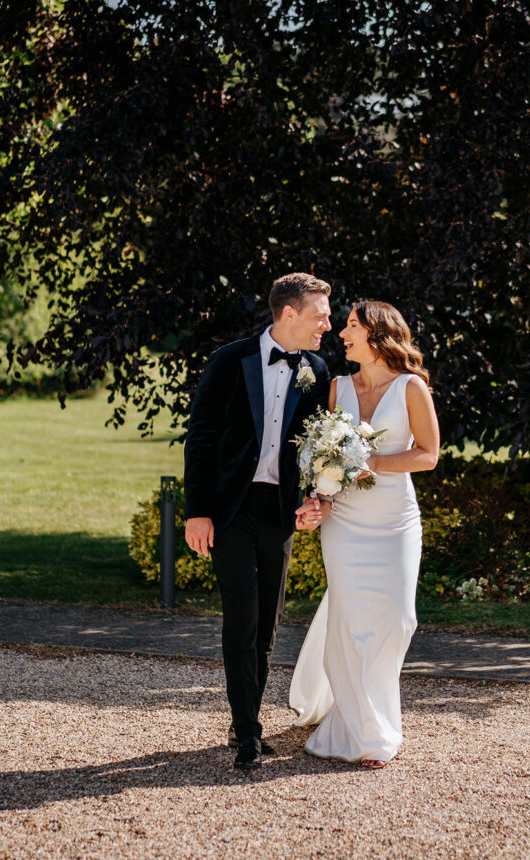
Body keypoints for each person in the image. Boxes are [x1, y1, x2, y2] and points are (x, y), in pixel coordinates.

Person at [183, 272, 333, 771]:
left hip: (280, 511)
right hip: (230, 508)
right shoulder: (230, 360)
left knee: (267, 621)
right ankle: (247, 729)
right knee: (241, 613)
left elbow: (317, 448)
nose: (326, 325)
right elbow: (201, 436)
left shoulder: (316, 368)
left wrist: (316, 497)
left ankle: (242, 718)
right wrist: (197, 511)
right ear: (289, 313)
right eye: (320, 314)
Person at [289, 300, 440, 769]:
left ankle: (370, 717)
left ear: (377, 335)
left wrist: (369, 462)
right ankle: (367, 731)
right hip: (346, 524)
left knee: (397, 621)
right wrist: (321, 500)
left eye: (351, 326)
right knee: (350, 625)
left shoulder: (410, 387)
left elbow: (427, 454)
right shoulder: (336, 389)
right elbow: (325, 464)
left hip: (396, 521)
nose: (341, 333)